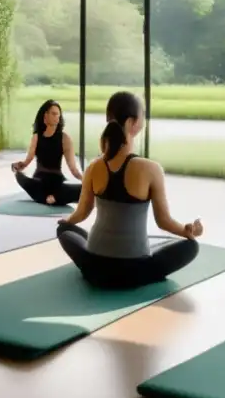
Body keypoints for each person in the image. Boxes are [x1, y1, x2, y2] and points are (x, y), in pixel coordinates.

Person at [56, 91, 202, 289]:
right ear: (134, 123)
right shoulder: (151, 169)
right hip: (135, 270)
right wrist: (187, 232)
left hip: (94, 267)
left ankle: (95, 258)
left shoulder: (94, 167)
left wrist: (65, 222)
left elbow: (81, 213)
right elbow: (164, 222)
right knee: (191, 247)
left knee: (64, 230)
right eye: (143, 115)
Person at [11, 100, 84, 206]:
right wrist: (18, 167)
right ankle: (52, 198)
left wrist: (85, 180)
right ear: (45, 115)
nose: (57, 117)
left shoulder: (65, 138)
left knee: (82, 189)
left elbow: (73, 169)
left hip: (57, 183)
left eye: (58, 115)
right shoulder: (37, 137)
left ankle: (53, 197)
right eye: (54, 114)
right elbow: (26, 162)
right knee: (21, 177)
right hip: (39, 181)